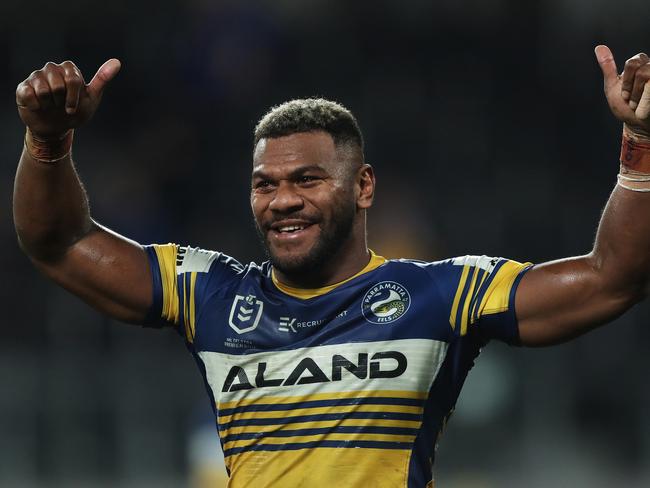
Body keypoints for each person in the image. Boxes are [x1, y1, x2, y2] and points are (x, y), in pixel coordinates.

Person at [12, 45, 650, 487]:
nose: (282, 200)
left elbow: (610, 277)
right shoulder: (206, 292)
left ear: (363, 186)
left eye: (307, 179)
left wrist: (640, 145)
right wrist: (48, 144)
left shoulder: (439, 293)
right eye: (265, 184)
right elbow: (59, 242)